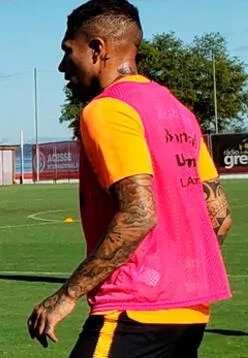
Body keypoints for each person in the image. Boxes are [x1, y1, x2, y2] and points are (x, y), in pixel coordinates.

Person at [27, 1, 233, 356]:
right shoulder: (178, 111)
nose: (62, 66)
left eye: (67, 51)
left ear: (96, 49)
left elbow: (139, 214)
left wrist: (67, 294)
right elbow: (220, 218)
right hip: (191, 311)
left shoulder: (106, 109)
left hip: (134, 309)